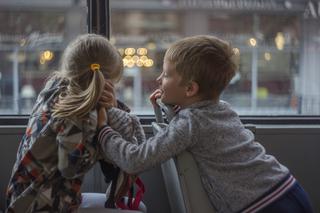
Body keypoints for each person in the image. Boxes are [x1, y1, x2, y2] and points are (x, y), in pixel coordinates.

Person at [97, 35, 314, 212]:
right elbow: (187, 132)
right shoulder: (222, 109)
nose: (159, 79)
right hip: (287, 189)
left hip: (266, 205)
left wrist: (103, 131)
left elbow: (135, 160)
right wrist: (165, 108)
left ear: (190, 89)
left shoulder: (191, 124)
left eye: (166, 74)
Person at [5, 33, 143, 213]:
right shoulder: (81, 115)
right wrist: (102, 133)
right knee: (138, 210)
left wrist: (112, 109)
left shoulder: (54, 88)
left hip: (21, 195)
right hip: (43, 205)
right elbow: (70, 168)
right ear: (105, 84)